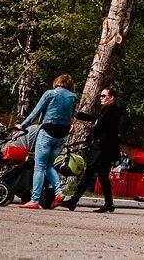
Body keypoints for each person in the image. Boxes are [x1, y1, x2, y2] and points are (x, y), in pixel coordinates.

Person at [16, 74, 77, 210]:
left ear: (57, 82)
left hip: (47, 131)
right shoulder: (73, 97)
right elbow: (72, 115)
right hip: (62, 134)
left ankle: (34, 199)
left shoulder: (50, 94)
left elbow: (36, 112)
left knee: (40, 166)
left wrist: (23, 125)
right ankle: (58, 192)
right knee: (49, 165)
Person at [61, 87, 123, 213]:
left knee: (89, 173)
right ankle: (109, 203)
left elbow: (100, 125)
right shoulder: (105, 109)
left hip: (102, 148)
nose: (101, 98)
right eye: (100, 95)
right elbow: (94, 117)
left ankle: (73, 201)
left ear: (111, 98)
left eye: (103, 96)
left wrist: (88, 138)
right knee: (102, 176)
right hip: (102, 148)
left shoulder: (113, 110)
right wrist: (78, 115)